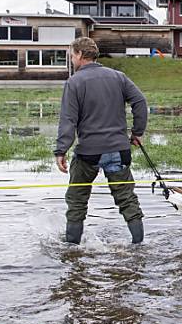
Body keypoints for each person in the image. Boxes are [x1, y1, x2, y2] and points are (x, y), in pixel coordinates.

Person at [54, 37, 148, 244]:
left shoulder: (74, 82)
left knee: (77, 202)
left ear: (79, 55)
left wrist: (61, 150)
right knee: (127, 200)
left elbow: (68, 120)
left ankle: (71, 251)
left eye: (72, 55)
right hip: (119, 151)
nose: (71, 59)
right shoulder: (119, 77)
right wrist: (138, 132)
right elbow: (140, 102)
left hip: (88, 153)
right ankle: (139, 247)